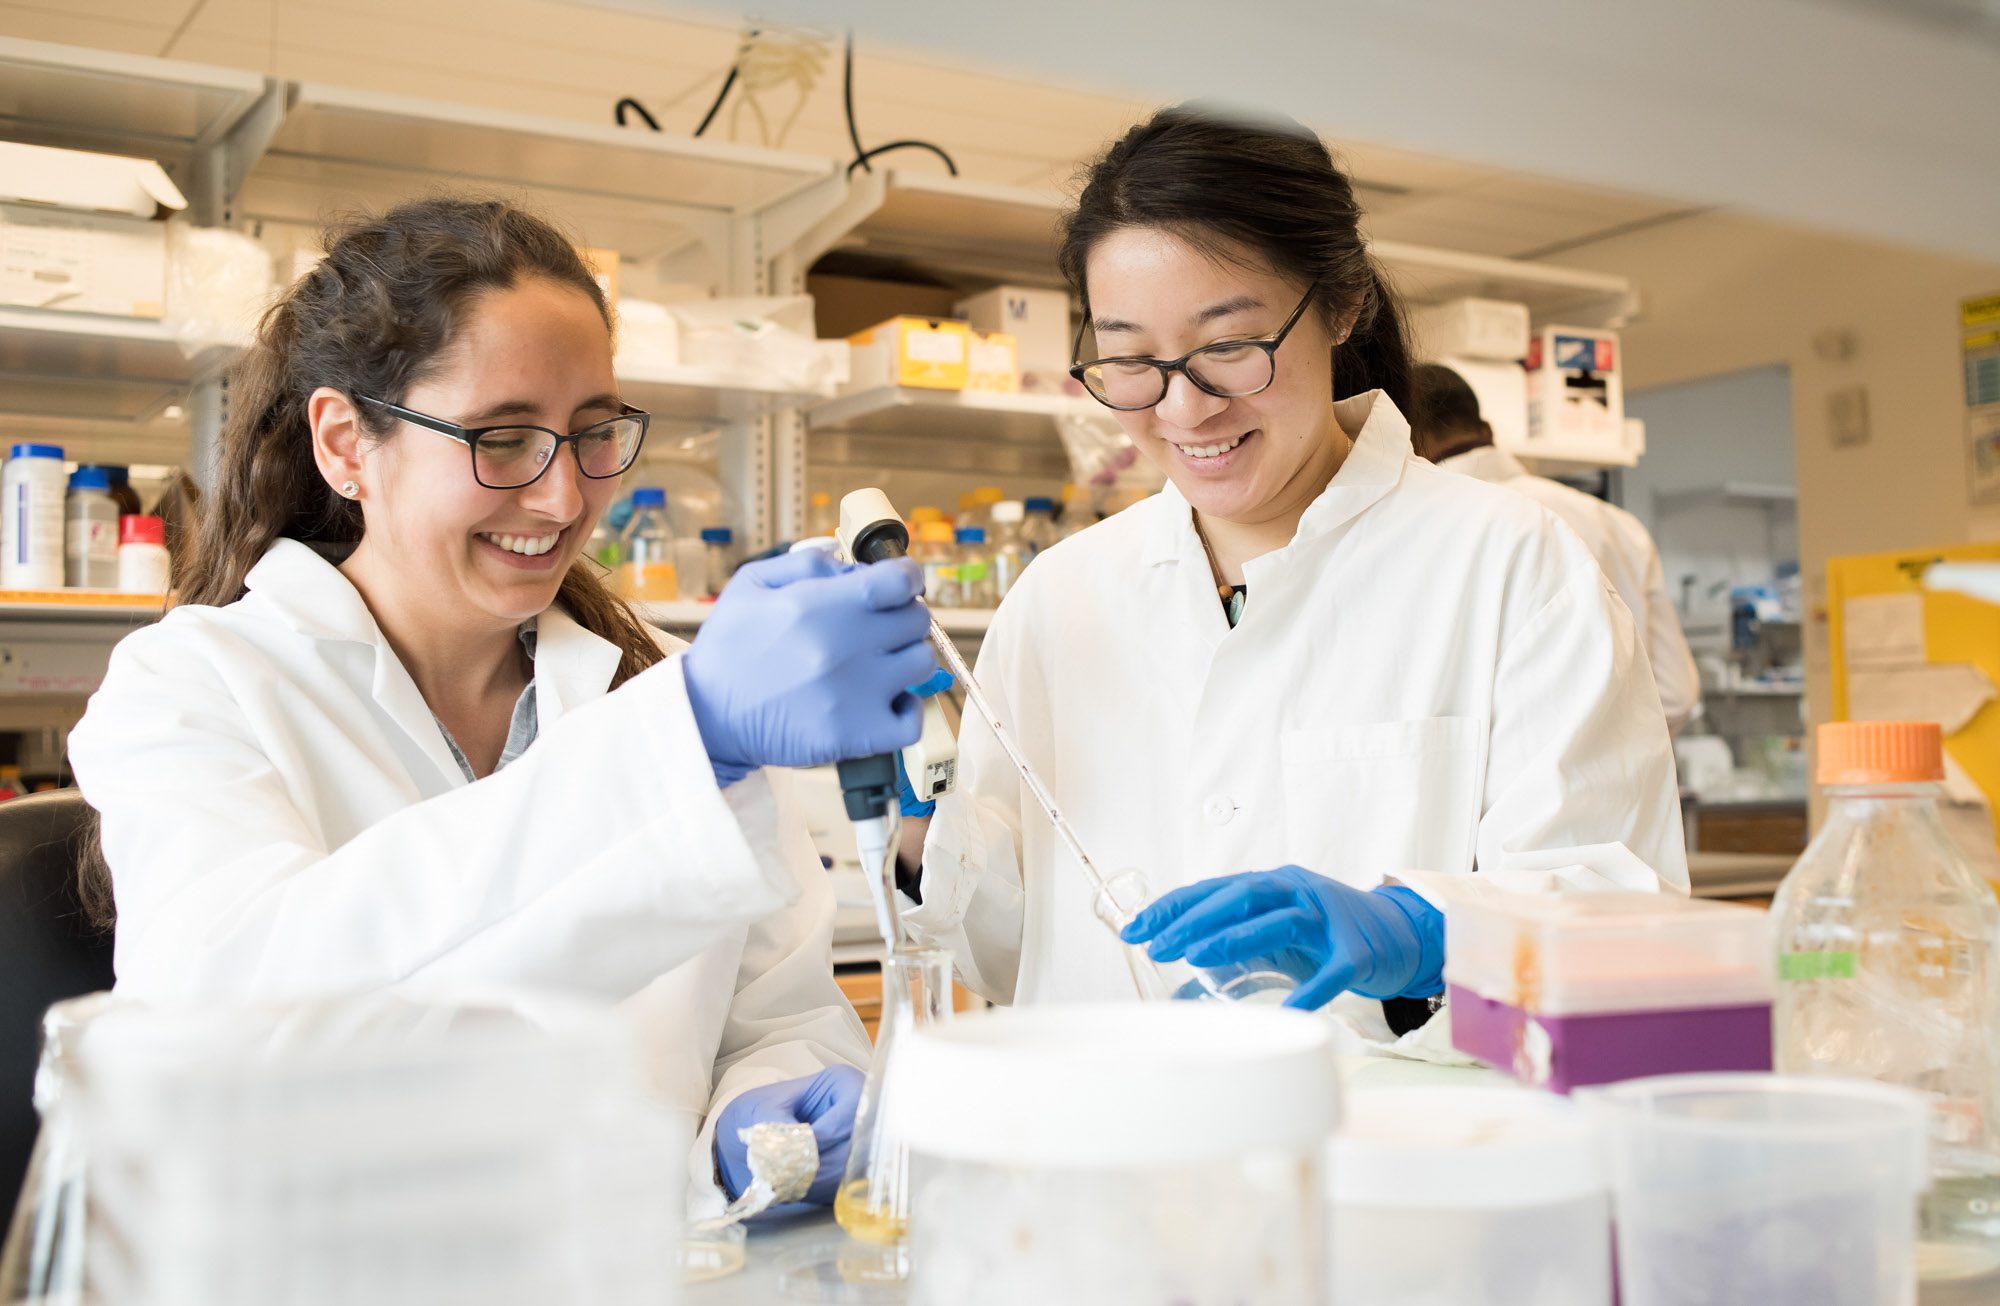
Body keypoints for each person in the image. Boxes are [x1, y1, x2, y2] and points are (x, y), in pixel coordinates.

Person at [66, 198, 939, 1214]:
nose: (564, 499)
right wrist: (686, 740)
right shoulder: (193, 685)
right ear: (345, 444)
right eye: (504, 438)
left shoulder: (650, 681)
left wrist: (762, 1119)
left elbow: (778, 1013)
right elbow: (240, 1025)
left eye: (593, 433)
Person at [896, 105, 1687, 1059]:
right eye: (1132, 358)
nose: (1183, 408)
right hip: (1102, 1134)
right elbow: (1005, 956)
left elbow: (1619, 930)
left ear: (1342, 304)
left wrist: (1427, 936)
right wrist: (919, 816)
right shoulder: (1060, 597)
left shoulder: (1514, 563)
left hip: (1394, 1144)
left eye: (1229, 345)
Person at [1410, 362, 1700, 735]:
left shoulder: (1428, 530)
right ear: (1487, 430)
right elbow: (1676, 696)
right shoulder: (1619, 526)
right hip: (1626, 764)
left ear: (1407, 438)